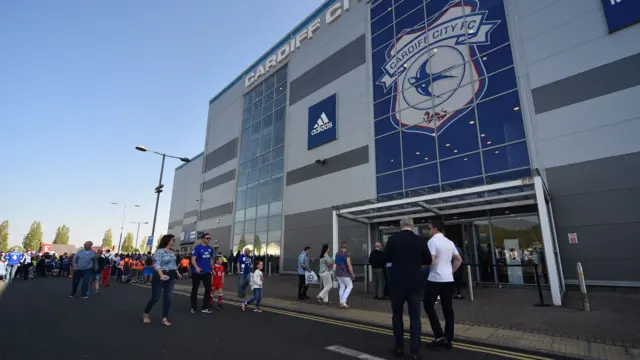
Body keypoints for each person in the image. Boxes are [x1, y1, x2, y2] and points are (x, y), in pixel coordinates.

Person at [385, 217, 431, 359]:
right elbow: (428, 260)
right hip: (415, 284)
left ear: (401, 226)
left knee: (397, 316)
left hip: (397, 283)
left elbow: (386, 258)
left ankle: (399, 347)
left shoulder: (392, 240)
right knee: (415, 317)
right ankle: (415, 351)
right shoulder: (420, 240)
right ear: (412, 226)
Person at [423, 220, 463, 350]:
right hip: (448, 280)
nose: (429, 231)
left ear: (434, 228)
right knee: (448, 309)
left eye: (429, 228)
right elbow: (458, 259)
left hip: (435, 279)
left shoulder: (432, 241)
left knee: (428, 305)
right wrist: (450, 271)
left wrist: (422, 267)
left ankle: (439, 335)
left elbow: (432, 260)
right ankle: (448, 339)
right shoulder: (449, 242)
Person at [143, 234, 181, 326]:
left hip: (170, 276)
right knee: (155, 297)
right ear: (167, 240)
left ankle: (164, 318)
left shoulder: (172, 252)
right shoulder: (159, 251)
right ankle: (146, 314)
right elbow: (157, 264)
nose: (174, 242)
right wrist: (161, 275)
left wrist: (178, 273)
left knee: (168, 298)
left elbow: (173, 265)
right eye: (173, 240)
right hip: (159, 275)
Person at [190, 233, 215, 314]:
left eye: (209, 238)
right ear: (202, 239)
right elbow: (193, 259)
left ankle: (205, 307)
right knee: (195, 289)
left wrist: (213, 269)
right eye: (207, 238)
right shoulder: (197, 248)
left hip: (207, 272)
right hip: (197, 272)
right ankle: (193, 307)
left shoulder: (210, 249)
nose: (208, 240)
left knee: (208, 289)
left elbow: (211, 259)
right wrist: (196, 267)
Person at [335, 242, 354, 308]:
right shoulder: (346, 254)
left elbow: (336, 262)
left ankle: (341, 302)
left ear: (340, 247)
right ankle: (343, 301)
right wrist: (352, 273)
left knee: (342, 287)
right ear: (346, 247)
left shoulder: (337, 254)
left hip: (338, 273)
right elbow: (349, 264)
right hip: (345, 273)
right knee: (350, 286)